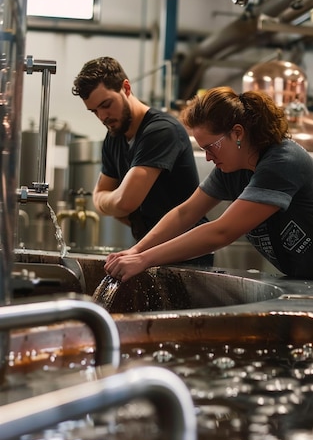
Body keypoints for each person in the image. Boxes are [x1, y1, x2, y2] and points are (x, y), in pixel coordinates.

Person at [104, 86, 313, 281]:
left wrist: (144, 260)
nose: (207, 158)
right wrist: (136, 251)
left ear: (237, 133)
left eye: (211, 147)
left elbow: (222, 231)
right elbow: (185, 213)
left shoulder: (282, 162)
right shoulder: (232, 168)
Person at [72, 56, 213, 264]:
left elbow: (125, 202)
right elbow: (105, 200)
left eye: (106, 104)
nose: (102, 116)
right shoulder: (113, 137)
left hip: (187, 256)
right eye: (94, 111)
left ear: (126, 88)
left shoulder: (161, 130)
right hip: (147, 250)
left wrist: (111, 201)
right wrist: (112, 202)